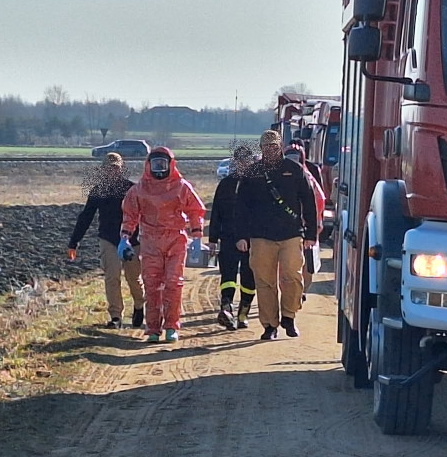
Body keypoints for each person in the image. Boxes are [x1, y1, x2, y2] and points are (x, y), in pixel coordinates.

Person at [234, 130, 318, 341]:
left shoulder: (295, 170)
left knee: (292, 276)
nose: (270, 150)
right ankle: (270, 325)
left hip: (291, 234)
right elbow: (241, 208)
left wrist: (311, 234)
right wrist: (241, 236)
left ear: (280, 147)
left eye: (274, 146)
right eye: (266, 147)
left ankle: (289, 316)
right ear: (261, 149)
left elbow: (309, 202)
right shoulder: (252, 173)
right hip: (261, 236)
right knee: (265, 282)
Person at [119, 147, 206, 343]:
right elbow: (130, 214)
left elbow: (195, 210)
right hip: (150, 240)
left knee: (173, 284)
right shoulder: (139, 189)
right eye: (156, 164)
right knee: (151, 284)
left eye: (163, 165)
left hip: (175, 239)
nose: (159, 169)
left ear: (171, 165)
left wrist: (197, 235)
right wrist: (124, 237)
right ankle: (152, 328)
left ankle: (171, 326)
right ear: (148, 166)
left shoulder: (181, 186)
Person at [67, 152, 144, 329]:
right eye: (109, 168)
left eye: (115, 168)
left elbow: (145, 215)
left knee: (134, 278)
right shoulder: (98, 191)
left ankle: (139, 305)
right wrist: (74, 242)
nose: (112, 171)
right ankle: (116, 317)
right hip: (108, 239)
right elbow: (85, 217)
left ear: (121, 169)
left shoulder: (133, 190)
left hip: (132, 240)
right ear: (103, 170)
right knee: (112, 278)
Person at [208, 145, 256, 330]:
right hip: (228, 238)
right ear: (236, 162)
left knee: (248, 278)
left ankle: (243, 313)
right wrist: (212, 240)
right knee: (227, 276)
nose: (243, 164)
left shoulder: (257, 185)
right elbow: (216, 213)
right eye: (240, 160)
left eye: (246, 160)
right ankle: (226, 308)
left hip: (251, 241)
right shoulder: (226, 184)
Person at [285, 142, 326, 298]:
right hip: (291, 229)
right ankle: (294, 292)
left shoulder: (308, 176)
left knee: (305, 263)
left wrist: (315, 225)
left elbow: (319, 200)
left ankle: (299, 292)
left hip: (303, 228)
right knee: (292, 264)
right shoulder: (306, 175)